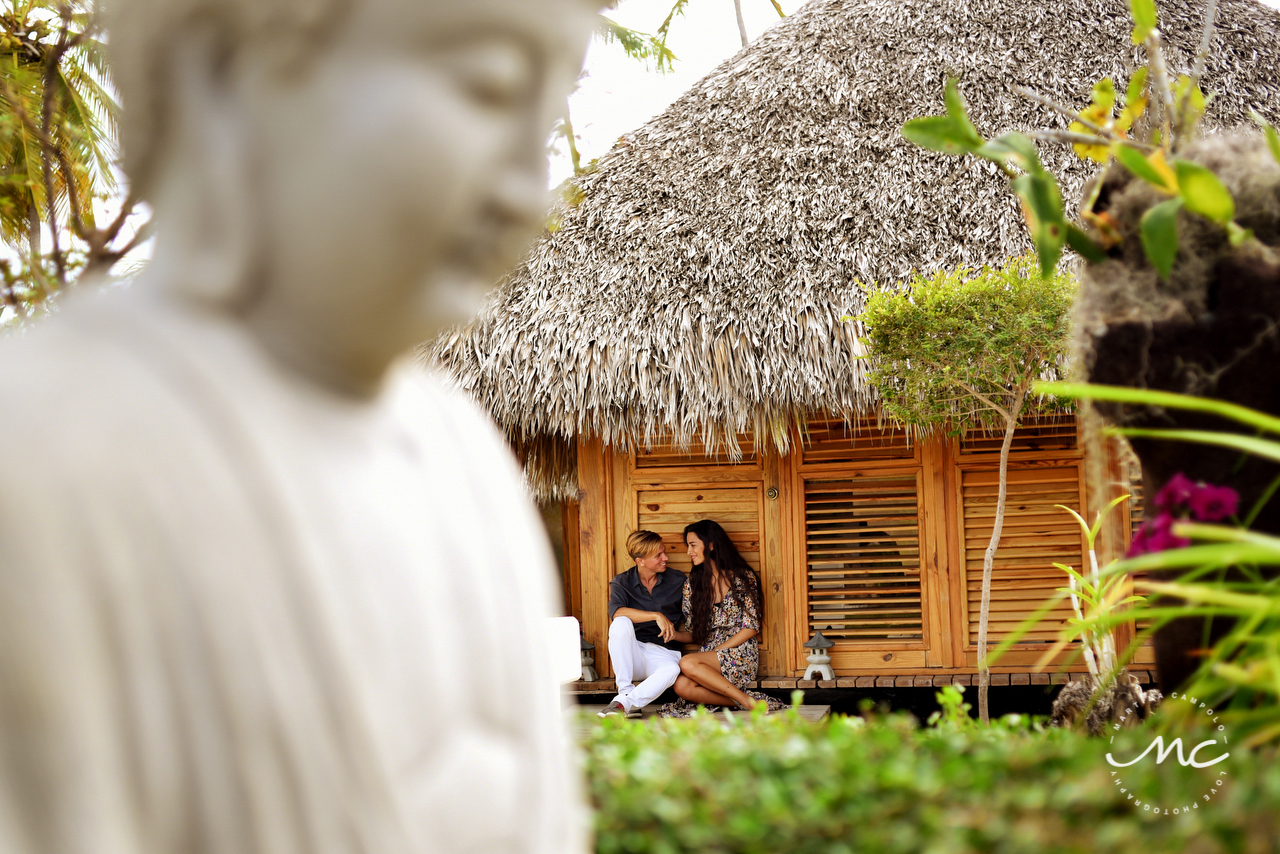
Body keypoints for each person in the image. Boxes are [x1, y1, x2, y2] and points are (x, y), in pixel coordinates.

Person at [0, 1, 595, 852]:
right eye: (487, 88)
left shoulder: (467, 462)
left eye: (547, 121)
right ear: (220, 73)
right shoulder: (45, 462)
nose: (527, 192)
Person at [659, 520, 787, 717]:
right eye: (688, 546)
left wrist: (720, 649)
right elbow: (695, 634)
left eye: (693, 545)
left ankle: (745, 701)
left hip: (740, 652)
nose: (689, 552)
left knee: (687, 663)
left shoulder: (742, 578)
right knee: (681, 685)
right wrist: (674, 635)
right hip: (709, 657)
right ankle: (747, 702)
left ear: (710, 544)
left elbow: (751, 627)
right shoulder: (692, 585)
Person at [599, 530, 692, 717]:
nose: (665, 558)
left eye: (664, 552)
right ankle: (625, 691)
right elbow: (616, 612)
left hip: (664, 652)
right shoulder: (622, 581)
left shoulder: (677, 580)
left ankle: (624, 702)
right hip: (633, 651)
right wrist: (656, 615)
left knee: (672, 669)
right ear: (640, 561)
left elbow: (694, 624)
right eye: (658, 555)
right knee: (620, 623)